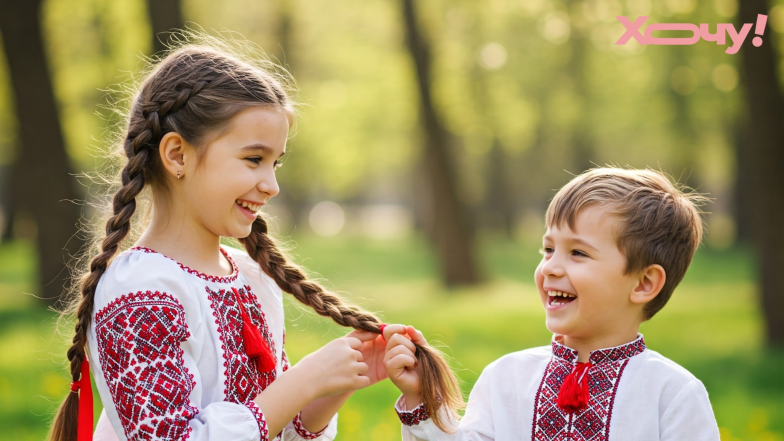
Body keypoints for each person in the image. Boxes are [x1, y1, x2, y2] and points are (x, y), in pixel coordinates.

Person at [48, 34, 460, 441]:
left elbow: (274, 428)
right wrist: (303, 381)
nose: (271, 185)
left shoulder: (251, 276)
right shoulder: (140, 290)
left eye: (275, 163)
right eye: (253, 159)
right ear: (177, 155)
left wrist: (332, 385)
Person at [383, 168, 721, 440]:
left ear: (644, 283)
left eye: (578, 252)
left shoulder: (673, 394)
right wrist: (422, 399)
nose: (550, 267)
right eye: (548, 249)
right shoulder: (505, 378)